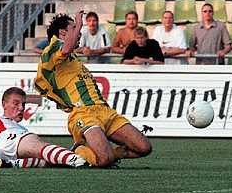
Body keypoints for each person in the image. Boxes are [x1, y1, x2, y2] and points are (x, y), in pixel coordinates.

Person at [34, 12, 152, 168]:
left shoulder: (73, 59)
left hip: (105, 111)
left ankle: (105, 153)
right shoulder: (53, 48)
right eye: (74, 28)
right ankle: (79, 152)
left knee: (144, 148)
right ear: (63, 33)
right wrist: (79, 22)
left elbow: (69, 50)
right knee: (104, 159)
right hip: (83, 113)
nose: (79, 32)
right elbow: (65, 48)